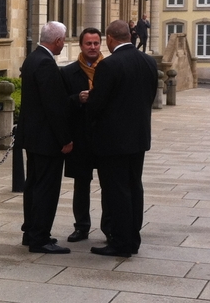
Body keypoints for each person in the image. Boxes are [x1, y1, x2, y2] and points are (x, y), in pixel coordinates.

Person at [87, 20, 158, 257]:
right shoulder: (148, 61)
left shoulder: (109, 65)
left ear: (109, 38)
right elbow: (149, 97)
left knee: (116, 191)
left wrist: (89, 101)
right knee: (134, 187)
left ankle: (120, 243)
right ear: (130, 35)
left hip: (113, 141)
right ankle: (133, 239)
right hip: (138, 138)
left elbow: (97, 105)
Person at [16, 21, 73, 254]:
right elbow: (54, 107)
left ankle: (30, 232)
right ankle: (40, 237)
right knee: (46, 189)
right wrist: (65, 139)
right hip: (47, 140)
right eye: (63, 40)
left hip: (33, 138)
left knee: (33, 186)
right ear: (58, 41)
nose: (63, 44)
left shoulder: (33, 58)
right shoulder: (46, 63)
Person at [60, 28, 110, 243]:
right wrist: (76, 99)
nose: (93, 47)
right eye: (88, 43)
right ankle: (81, 227)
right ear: (81, 45)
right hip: (80, 136)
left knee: (109, 184)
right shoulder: (68, 72)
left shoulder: (109, 69)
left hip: (104, 136)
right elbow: (60, 103)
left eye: (96, 43)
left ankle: (109, 227)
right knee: (81, 184)